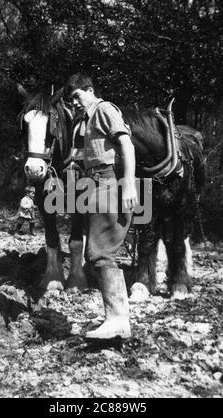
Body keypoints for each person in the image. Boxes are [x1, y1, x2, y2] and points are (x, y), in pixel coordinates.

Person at [64, 73, 138, 339]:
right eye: (70, 100)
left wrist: (128, 185)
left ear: (90, 90)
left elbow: (126, 146)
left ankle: (118, 320)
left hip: (109, 183)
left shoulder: (104, 110)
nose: (74, 103)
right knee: (94, 252)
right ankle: (116, 319)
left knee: (100, 253)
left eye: (77, 96)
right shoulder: (84, 121)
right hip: (93, 185)